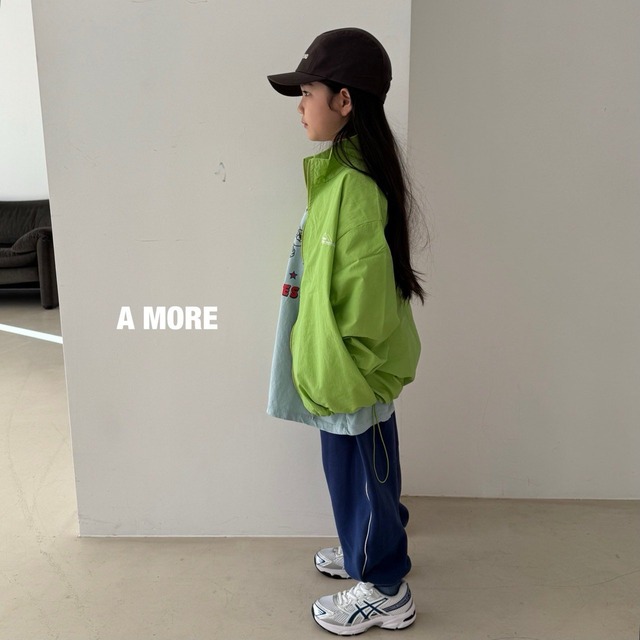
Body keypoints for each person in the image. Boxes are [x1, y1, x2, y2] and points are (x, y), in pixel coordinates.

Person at [266, 27, 424, 635]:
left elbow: (365, 298)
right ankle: (364, 544)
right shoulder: (340, 176)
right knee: (356, 474)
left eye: (307, 93)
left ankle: (384, 587)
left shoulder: (353, 187)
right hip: (340, 366)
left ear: (345, 100)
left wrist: (348, 373)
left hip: (351, 370)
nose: (301, 107)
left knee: (362, 472)